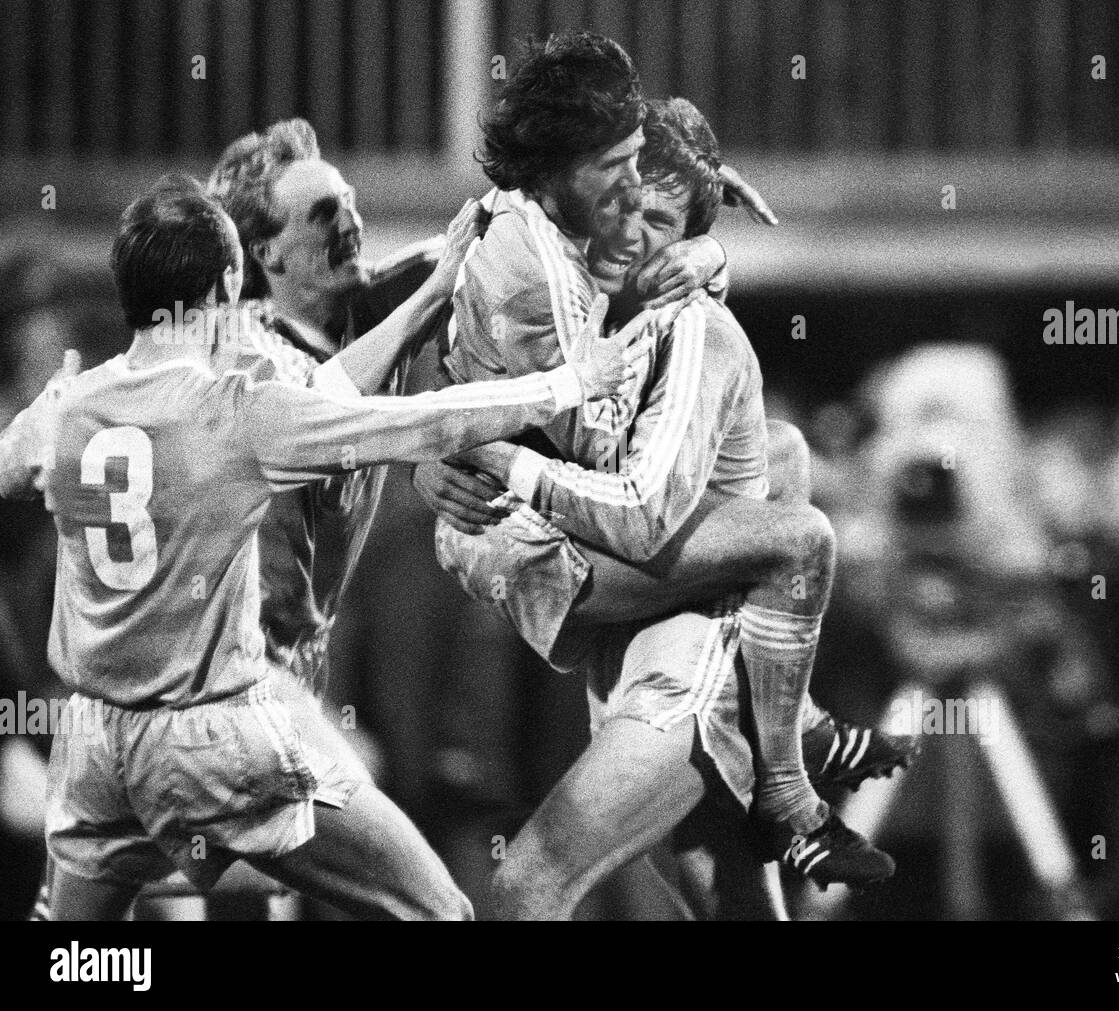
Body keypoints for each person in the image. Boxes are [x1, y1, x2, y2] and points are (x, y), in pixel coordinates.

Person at [0, 175, 641, 920]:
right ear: (231, 279)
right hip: (211, 734)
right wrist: (566, 383)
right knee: (438, 910)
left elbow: (12, 464)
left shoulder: (70, 408)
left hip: (97, 746)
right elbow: (422, 423)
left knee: (76, 952)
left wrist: (33, 426)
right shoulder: (236, 409)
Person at [420, 90, 914, 914]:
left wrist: (491, 458)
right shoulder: (567, 285)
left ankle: (790, 775)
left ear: (687, 241)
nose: (625, 230)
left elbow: (642, 519)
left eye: (655, 220)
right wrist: (431, 457)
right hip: (631, 653)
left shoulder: (688, 328)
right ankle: (795, 747)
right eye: (615, 202)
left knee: (524, 887)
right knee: (731, 902)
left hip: (683, 660)